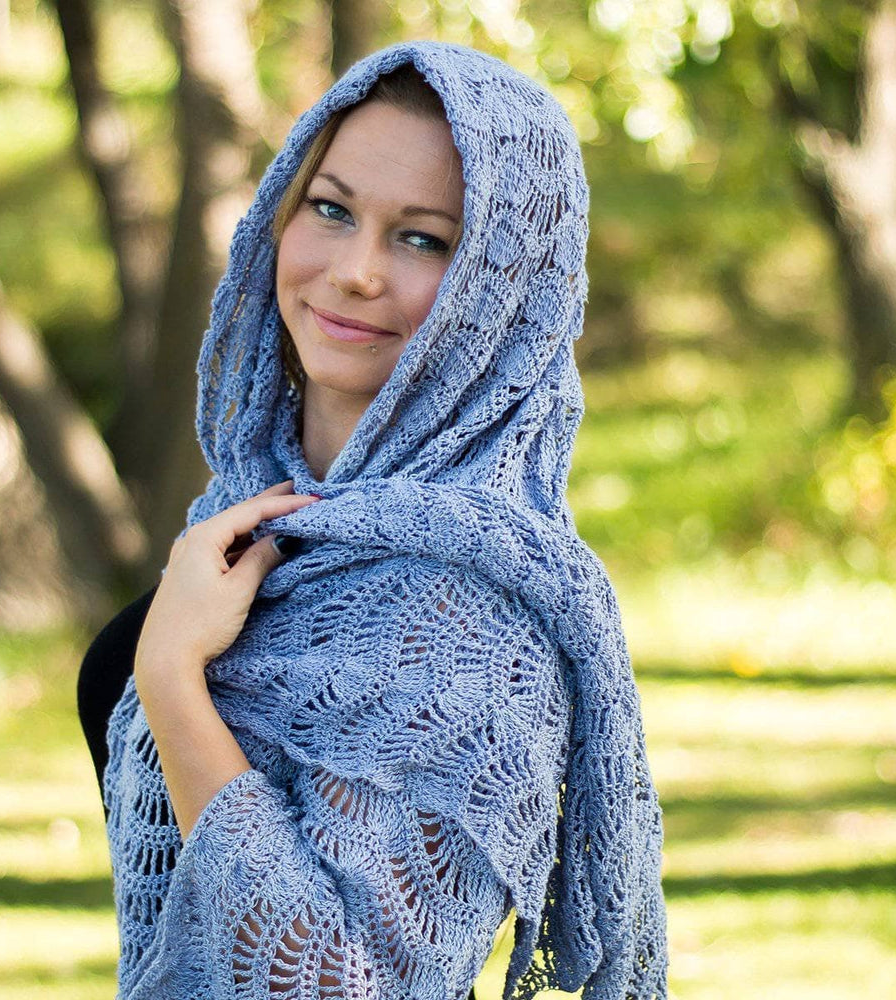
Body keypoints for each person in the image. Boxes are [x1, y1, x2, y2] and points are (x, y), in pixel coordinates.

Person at [77, 40, 668, 1000]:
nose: (355, 271)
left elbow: (332, 982)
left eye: (423, 239)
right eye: (332, 209)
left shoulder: (467, 612)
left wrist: (173, 680)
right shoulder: (253, 516)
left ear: (501, 291)